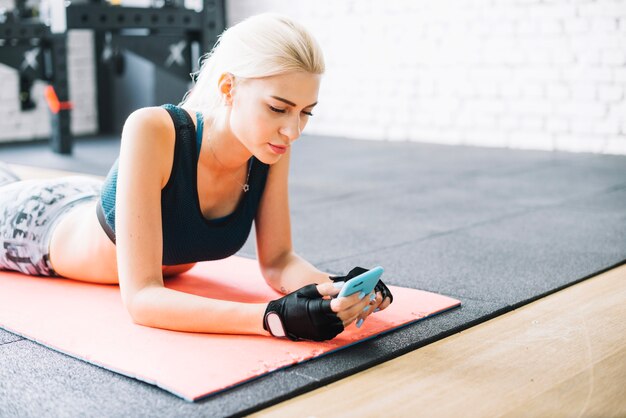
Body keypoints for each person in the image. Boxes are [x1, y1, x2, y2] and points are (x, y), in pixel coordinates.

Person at [0, 13, 392, 341]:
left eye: (306, 112)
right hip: (32, 225)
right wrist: (271, 319)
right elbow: (143, 299)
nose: (293, 131)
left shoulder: (269, 147)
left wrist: (335, 290)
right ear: (228, 87)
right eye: (278, 108)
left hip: (83, 196)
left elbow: (277, 261)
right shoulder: (153, 128)